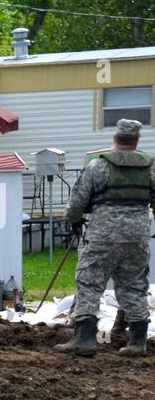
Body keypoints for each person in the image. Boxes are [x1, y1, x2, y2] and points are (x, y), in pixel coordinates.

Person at [54, 119, 155, 357]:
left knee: (89, 283)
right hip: (137, 237)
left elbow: (77, 203)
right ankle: (137, 342)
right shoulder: (150, 168)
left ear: (115, 138)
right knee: (134, 286)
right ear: (137, 140)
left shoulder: (98, 167)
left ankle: (84, 339)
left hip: (102, 236)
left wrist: (73, 219)